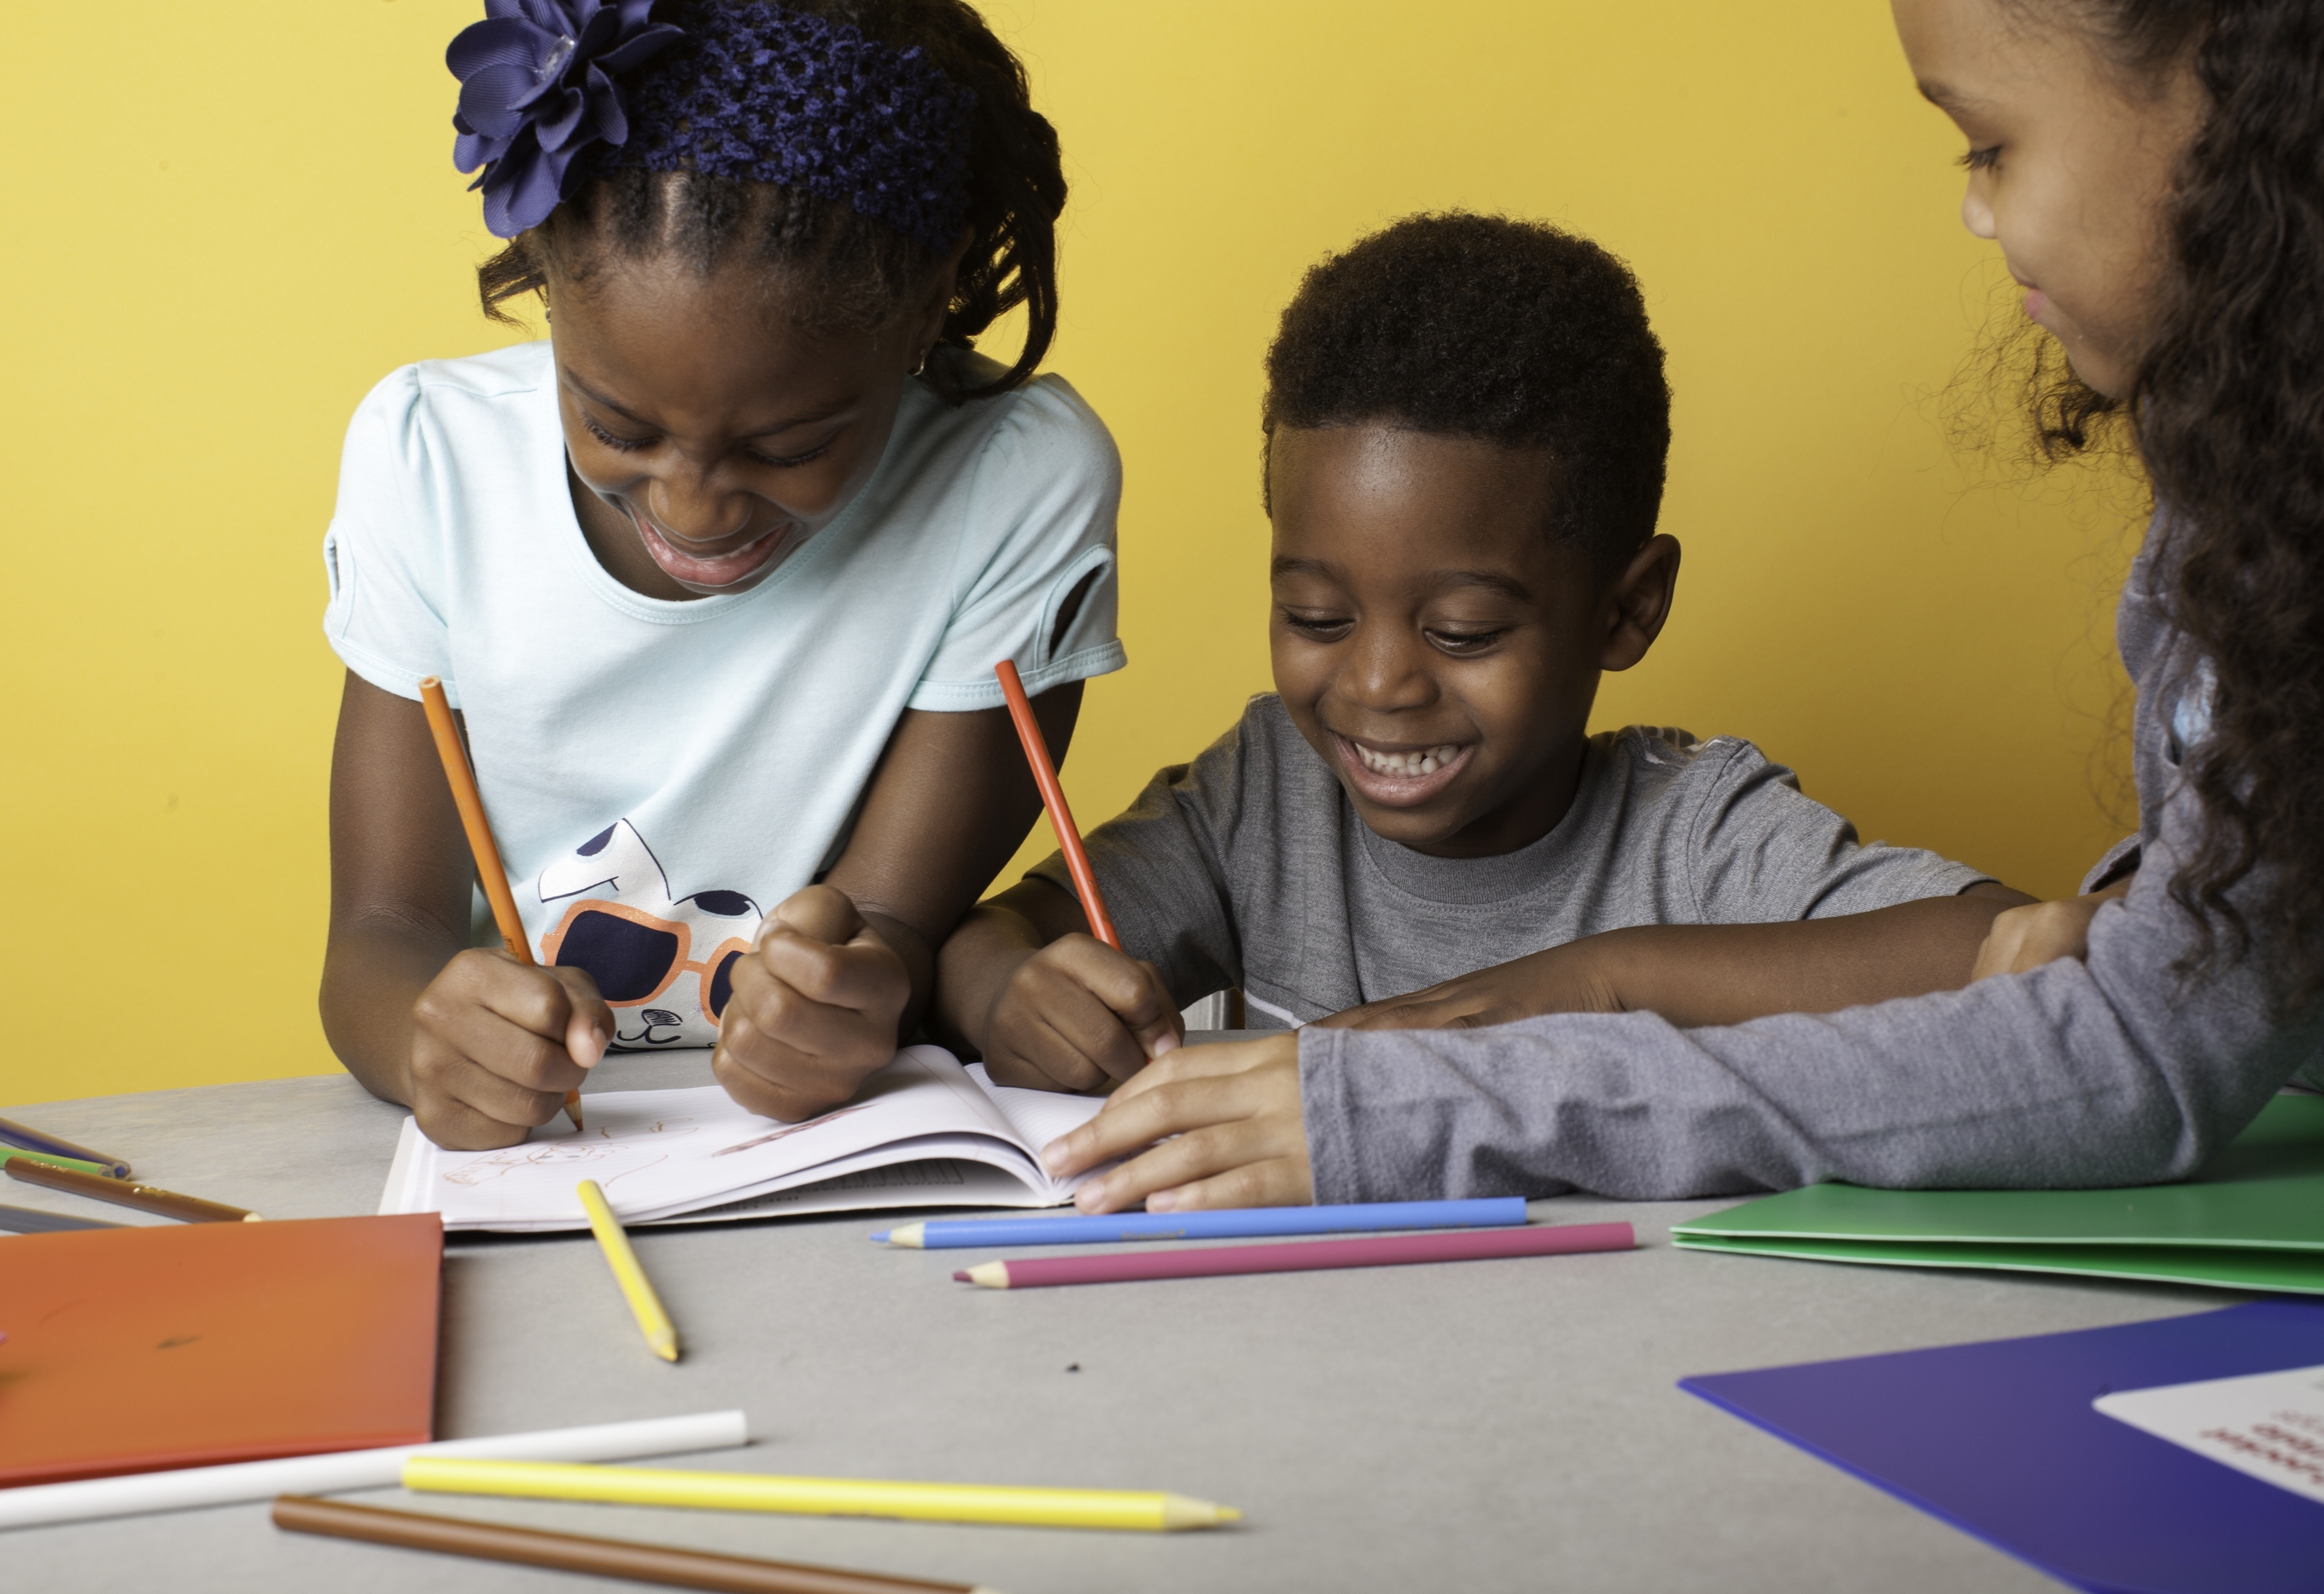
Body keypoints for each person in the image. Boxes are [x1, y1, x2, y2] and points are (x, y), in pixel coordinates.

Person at [1039, 0, 2324, 1212]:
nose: (1980, 215)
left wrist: (1558, 1014)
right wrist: (2143, 906)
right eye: (1320, 615)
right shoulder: (2235, 515)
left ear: (2239, 95)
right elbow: (2168, 969)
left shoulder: (1700, 828)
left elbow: (2140, 1038)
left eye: (1989, 143)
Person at [936, 213, 2030, 1095]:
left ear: (1626, 609)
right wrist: (1006, 993)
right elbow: (996, 937)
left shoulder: (1693, 839)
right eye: (1317, 616)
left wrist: (1594, 985)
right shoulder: (1259, 801)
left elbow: (2013, 943)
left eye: (1460, 633)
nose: (1375, 685)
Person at [319, 0, 1124, 1150]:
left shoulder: (1012, 478)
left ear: (927, 306)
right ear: (548, 282)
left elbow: (892, 916)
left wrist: (850, 997)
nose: (692, 509)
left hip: (832, 1159)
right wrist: (424, 1037)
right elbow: (378, 933)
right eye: (615, 424)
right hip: (540, 1157)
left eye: (788, 448)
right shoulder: (426, 458)